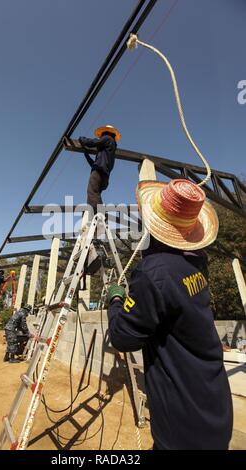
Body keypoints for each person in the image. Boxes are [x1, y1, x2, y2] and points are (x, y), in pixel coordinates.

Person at [107, 179, 233, 450]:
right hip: (214, 409)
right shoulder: (197, 262)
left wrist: (116, 300)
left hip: (182, 427)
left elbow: (122, 337)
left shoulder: (155, 272)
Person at [78, 125, 121, 215]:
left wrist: (82, 139)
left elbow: (93, 142)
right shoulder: (108, 150)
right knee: (93, 196)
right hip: (104, 176)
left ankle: (101, 216)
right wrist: (86, 154)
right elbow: (95, 164)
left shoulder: (108, 138)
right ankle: (92, 215)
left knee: (92, 192)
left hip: (99, 172)